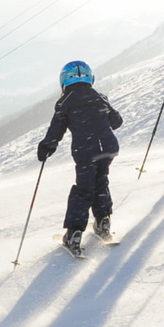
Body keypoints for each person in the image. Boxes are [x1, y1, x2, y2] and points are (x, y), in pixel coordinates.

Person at [37, 60, 124, 256]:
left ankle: (74, 234)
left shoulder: (66, 102)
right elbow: (117, 122)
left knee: (84, 189)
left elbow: (55, 130)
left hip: (87, 151)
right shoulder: (100, 97)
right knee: (101, 182)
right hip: (108, 148)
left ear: (64, 82)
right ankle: (103, 223)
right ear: (90, 78)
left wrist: (46, 147)